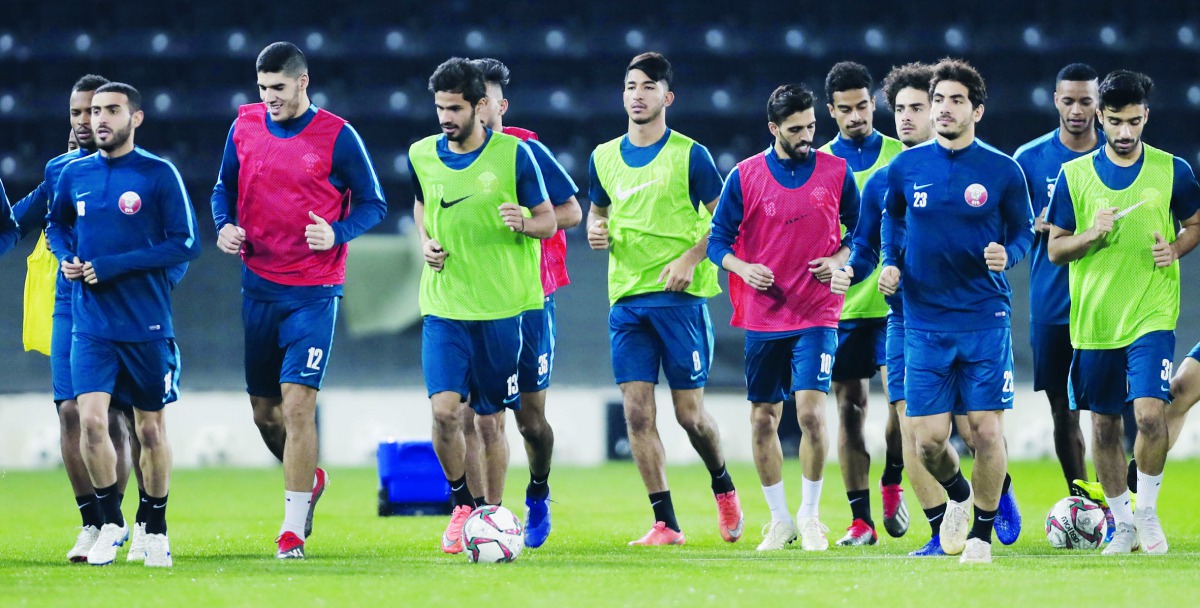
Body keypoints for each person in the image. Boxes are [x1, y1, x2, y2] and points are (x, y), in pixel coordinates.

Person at [210, 42, 387, 559]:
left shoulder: (338, 135)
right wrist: (224, 227)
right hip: (259, 286)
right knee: (265, 413)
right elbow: (223, 187)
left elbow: (374, 203)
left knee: (297, 404)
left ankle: (292, 529)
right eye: (262, 89)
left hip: (314, 290)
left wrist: (336, 234)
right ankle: (311, 480)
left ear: (303, 82)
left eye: (279, 88)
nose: (269, 98)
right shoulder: (243, 126)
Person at [880, 58, 1034, 564]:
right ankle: (961, 497)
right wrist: (889, 265)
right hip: (923, 321)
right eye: (939, 99)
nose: (944, 109)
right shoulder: (904, 168)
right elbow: (891, 221)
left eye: (955, 101)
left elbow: (1022, 233)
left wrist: (1006, 255)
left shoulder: (1002, 170)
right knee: (927, 441)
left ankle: (981, 537)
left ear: (977, 110)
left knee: (986, 430)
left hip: (984, 317)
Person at [588, 52, 743, 546]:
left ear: (666, 97)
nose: (638, 94)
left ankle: (723, 487)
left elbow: (726, 225)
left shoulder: (691, 155)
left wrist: (691, 258)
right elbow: (598, 212)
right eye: (631, 85)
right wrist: (596, 228)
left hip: (680, 300)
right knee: (636, 413)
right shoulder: (602, 156)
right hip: (628, 300)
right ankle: (666, 522)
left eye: (649, 86)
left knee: (690, 416)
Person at [46, 82, 201, 567]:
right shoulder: (75, 175)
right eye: (94, 112)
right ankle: (110, 520)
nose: (99, 120)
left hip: (147, 324)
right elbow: (56, 224)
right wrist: (68, 255)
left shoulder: (158, 174)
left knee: (149, 430)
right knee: (90, 420)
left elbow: (186, 243)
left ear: (135, 117)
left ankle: (153, 525)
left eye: (111, 110)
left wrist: (115, 264)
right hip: (91, 324)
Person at [1046, 70, 1200, 555]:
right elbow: (1055, 250)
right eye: (1116, 121)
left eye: (1135, 121)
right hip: (1095, 321)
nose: (1126, 132)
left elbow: (1195, 222)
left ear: (1146, 116)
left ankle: (1148, 513)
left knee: (1152, 415)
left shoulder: (1173, 170)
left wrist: (1175, 248)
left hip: (1151, 313)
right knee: (1104, 427)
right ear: (1100, 117)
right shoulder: (1075, 177)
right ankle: (1122, 524)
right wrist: (1090, 234)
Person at [408, 57, 556, 554]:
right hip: (445, 306)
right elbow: (423, 202)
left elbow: (550, 221)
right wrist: (425, 240)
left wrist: (525, 222)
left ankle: (494, 516)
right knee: (446, 412)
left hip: (501, 309)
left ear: (478, 107)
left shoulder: (514, 155)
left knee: (493, 421)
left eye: (454, 108)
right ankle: (461, 506)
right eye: (439, 108)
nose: (445, 117)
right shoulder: (421, 154)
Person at [834, 61, 977, 556]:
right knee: (914, 424)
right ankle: (942, 529)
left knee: (970, 424)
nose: (908, 118)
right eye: (901, 109)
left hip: (964, 317)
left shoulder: (968, 170)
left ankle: (995, 498)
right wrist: (857, 270)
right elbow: (867, 246)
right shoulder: (884, 180)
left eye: (920, 107)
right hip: (902, 319)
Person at [709, 84, 857, 552]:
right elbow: (718, 242)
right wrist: (741, 266)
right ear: (774, 129)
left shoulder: (837, 171)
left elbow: (860, 233)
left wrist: (840, 261)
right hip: (764, 314)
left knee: (812, 413)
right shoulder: (745, 175)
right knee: (761, 421)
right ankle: (780, 521)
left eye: (812, 126)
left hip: (817, 311)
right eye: (796, 130)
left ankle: (811, 517)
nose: (808, 136)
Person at [11, 75, 148, 563]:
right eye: (75, 113)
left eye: (94, 111)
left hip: (125, 307)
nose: (85, 121)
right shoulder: (61, 172)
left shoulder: (137, 173)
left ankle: (123, 520)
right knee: (72, 413)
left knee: (117, 419)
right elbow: (17, 224)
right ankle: (93, 521)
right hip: (69, 306)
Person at [455, 57, 582, 549]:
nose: (478, 108)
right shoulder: (449, 156)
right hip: (476, 301)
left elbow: (571, 210)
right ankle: (473, 513)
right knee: (470, 415)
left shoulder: (526, 149)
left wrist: (528, 221)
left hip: (531, 299)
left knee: (529, 419)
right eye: (473, 100)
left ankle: (538, 491)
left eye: (485, 99)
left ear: (500, 105)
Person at [818, 60, 906, 546]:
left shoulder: (901, 157)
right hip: (844, 309)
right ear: (831, 111)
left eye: (863, 106)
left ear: (875, 103)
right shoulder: (822, 166)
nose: (857, 116)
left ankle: (893, 478)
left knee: (902, 409)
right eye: (845, 109)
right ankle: (861, 520)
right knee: (850, 411)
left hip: (894, 306)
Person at [1014, 64, 1107, 501]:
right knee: (1063, 412)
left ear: (1099, 105)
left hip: (1110, 304)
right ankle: (1084, 505)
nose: (1076, 109)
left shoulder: (1119, 156)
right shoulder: (1028, 160)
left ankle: (1126, 507)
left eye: (1085, 101)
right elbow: (1004, 226)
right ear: (1055, 100)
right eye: (1068, 100)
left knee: (1114, 413)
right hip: (1053, 304)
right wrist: (1028, 225)